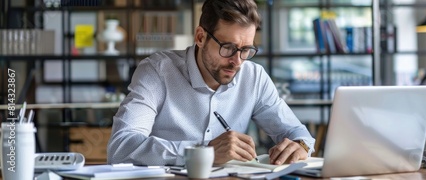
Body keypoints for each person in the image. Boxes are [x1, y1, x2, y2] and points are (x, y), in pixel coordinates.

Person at [107, 0, 315, 166]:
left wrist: (300, 145)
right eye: (228, 47)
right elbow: (121, 147)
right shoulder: (157, 71)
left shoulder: (254, 77)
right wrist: (203, 152)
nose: (237, 61)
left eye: (246, 50)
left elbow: (298, 134)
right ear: (200, 37)